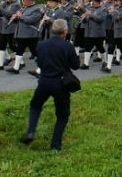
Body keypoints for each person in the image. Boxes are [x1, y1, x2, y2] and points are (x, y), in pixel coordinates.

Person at [20, 19, 80, 150]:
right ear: (65, 31)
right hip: (61, 83)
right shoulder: (67, 45)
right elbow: (76, 65)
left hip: (44, 81)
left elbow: (40, 64)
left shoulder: (42, 44)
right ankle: (55, 145)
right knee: (62, 114)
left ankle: (30, 131)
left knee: (35, 105)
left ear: (52, 30)